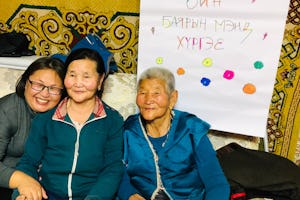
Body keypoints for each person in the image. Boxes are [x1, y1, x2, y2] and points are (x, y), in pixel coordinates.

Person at [12, 48, 124, 200]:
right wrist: (23, 192)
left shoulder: (113, 120)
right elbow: (29, 162)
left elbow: (112, 168)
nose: (78, 83)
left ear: (100, 80)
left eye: (86, 76)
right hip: (48, 195)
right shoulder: (46, 119)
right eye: (72, 75)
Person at [117, 67, 230, 200]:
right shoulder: (128, 130)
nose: (148, 100)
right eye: (142, 93)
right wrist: (129, 194)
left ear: (172, 98)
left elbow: (216, 183)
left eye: (156, 93)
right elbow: (116, 170)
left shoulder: (191, 130)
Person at [0, 57, 65, 200]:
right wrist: (23, 181)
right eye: (38, 84)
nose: (44, 94)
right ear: (25, 83)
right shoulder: (7, 110)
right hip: (7, 182)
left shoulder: (65, 113)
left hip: (46, 184)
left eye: (54, 88)